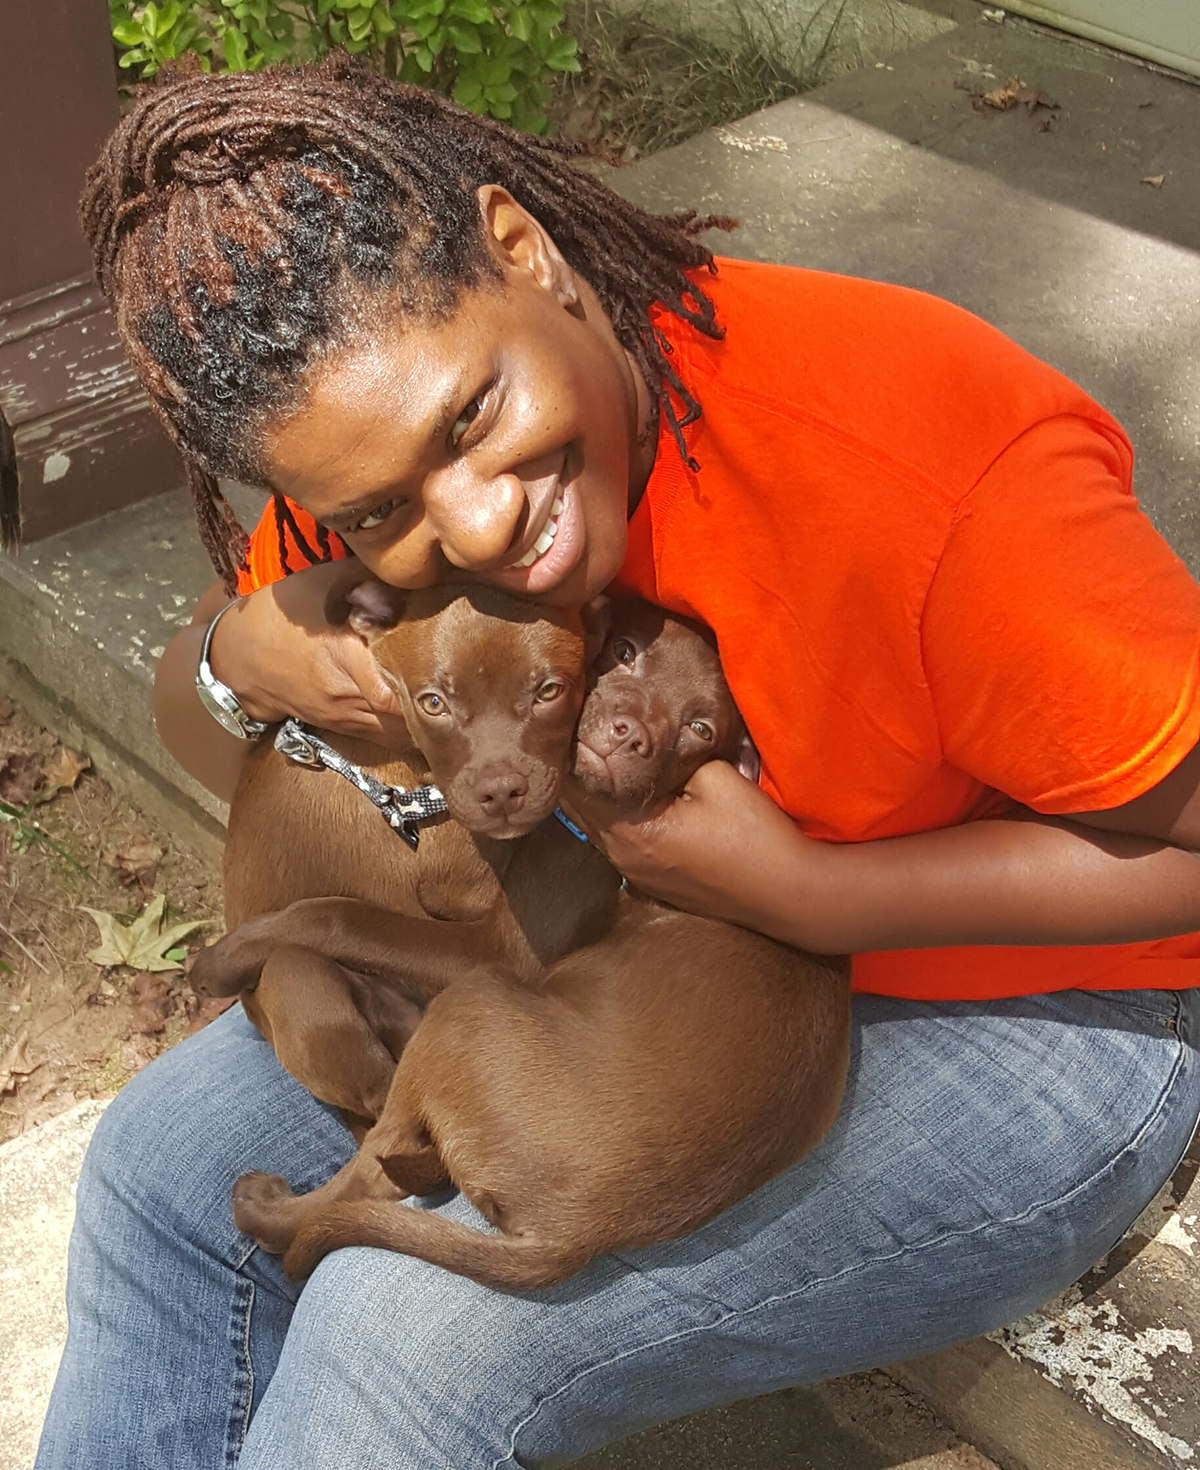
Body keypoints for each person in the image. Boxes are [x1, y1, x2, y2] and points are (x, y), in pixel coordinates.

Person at [37, 56, 1200, 1470]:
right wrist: (240, 653)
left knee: (401, 1326)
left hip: (1045, 1007)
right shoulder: (373, 463)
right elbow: (204, 720)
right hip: (657, 968)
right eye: (385, 507)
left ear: (524, 253)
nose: (472, 521)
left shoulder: (912, 459)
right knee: (159, 1164)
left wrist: (819, 897)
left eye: (473, 421)